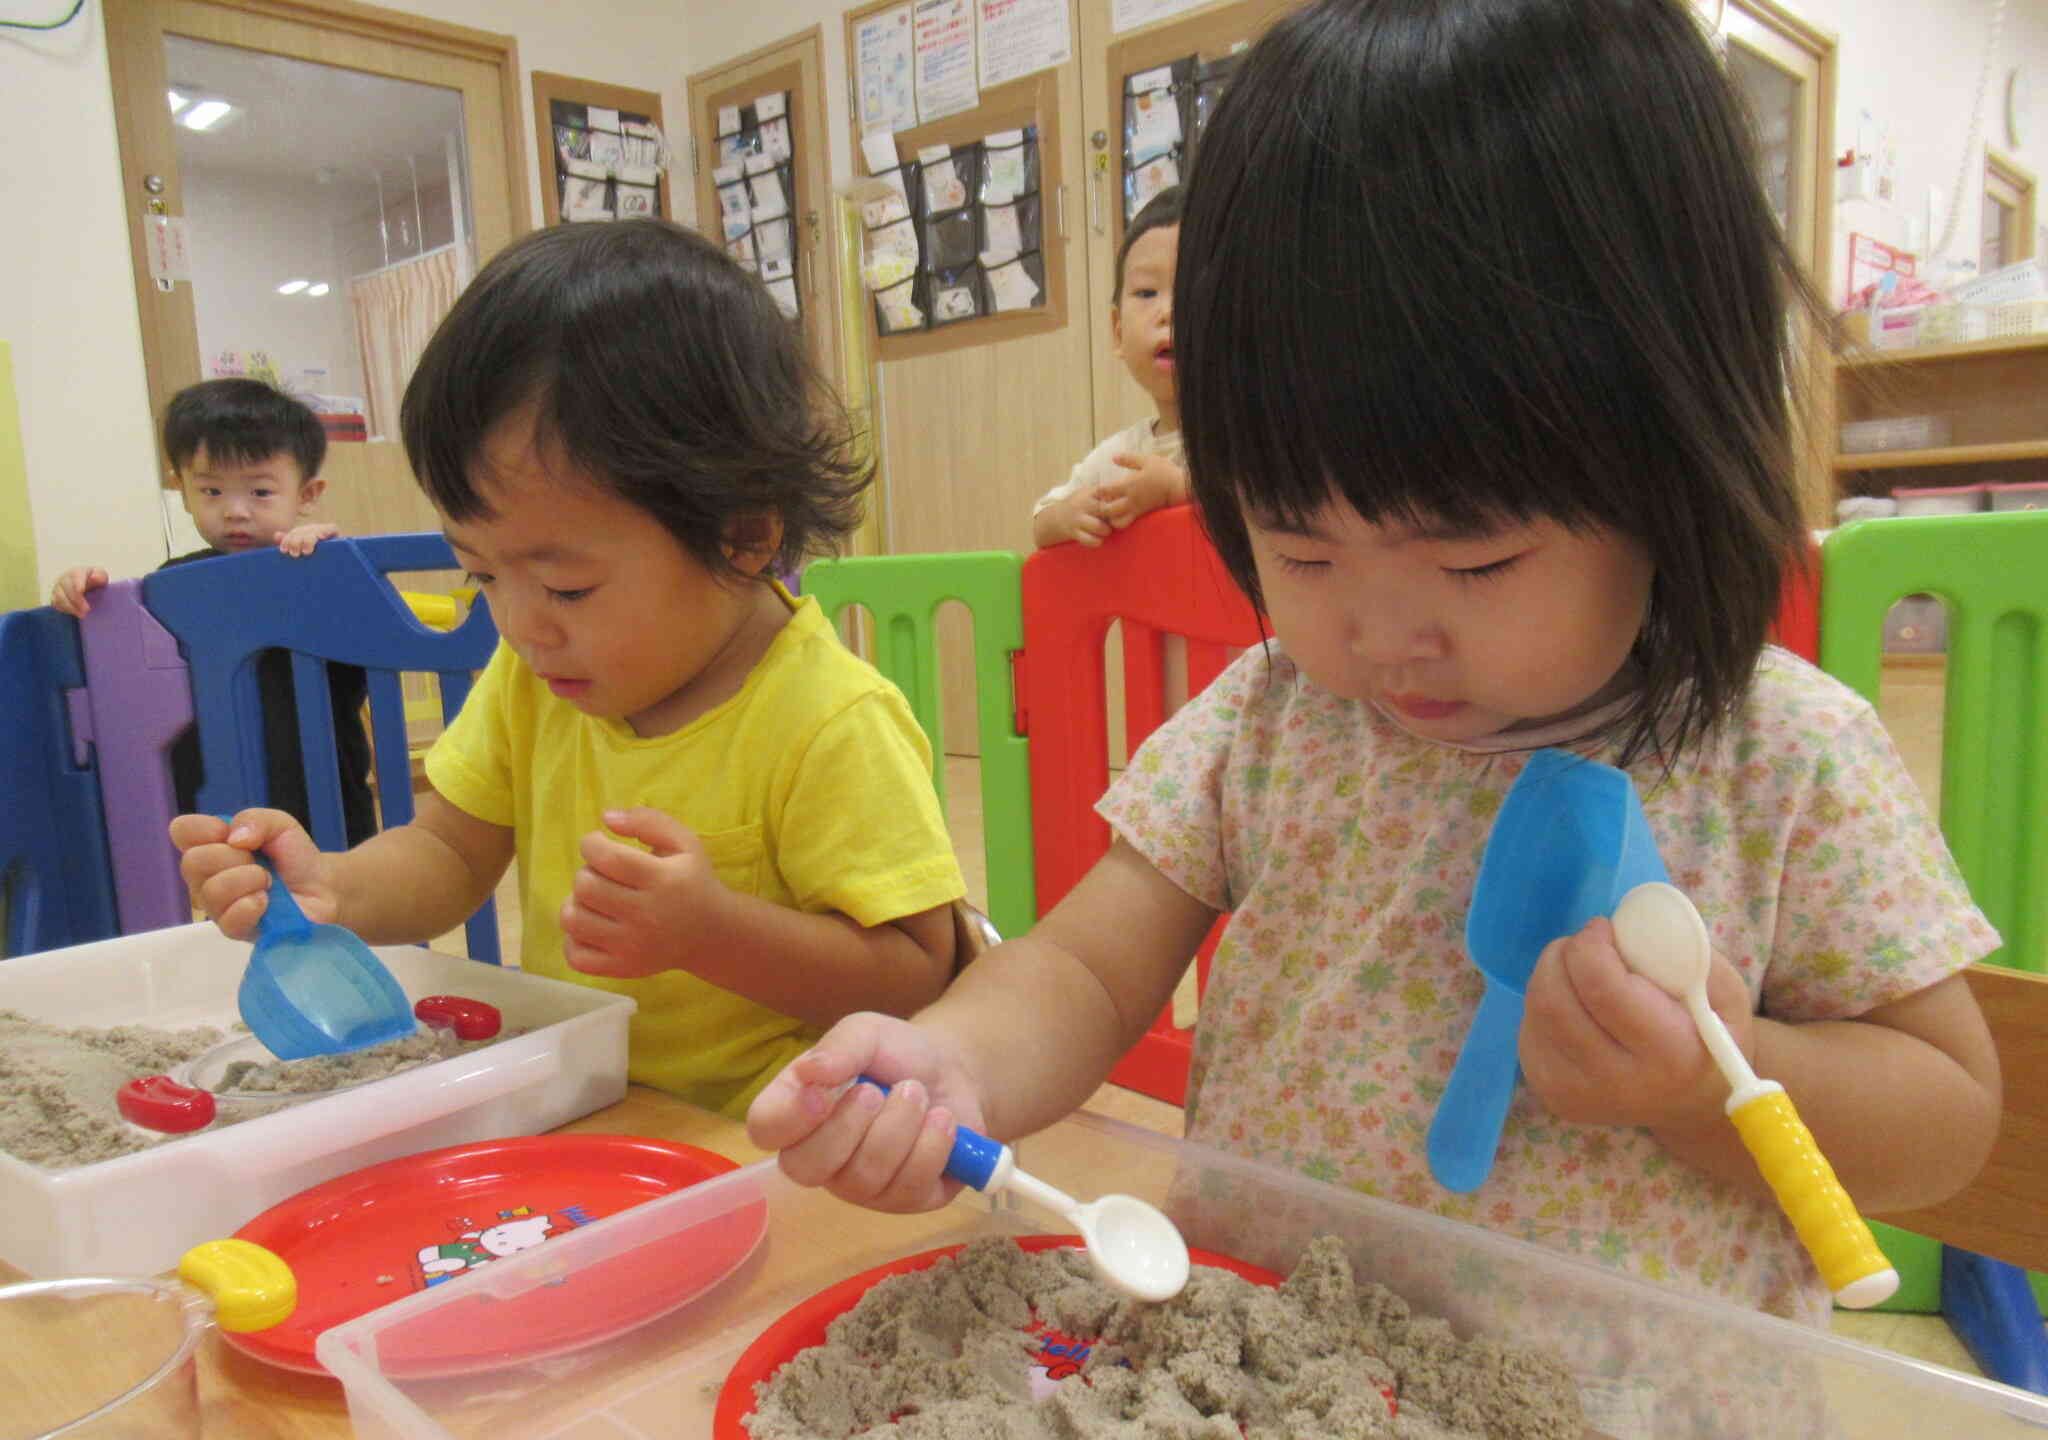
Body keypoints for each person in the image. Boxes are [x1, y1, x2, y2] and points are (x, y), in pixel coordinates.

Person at [750, 0, 2002, 1335]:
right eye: (1301, 549)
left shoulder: (1780, 756)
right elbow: (1085, 973)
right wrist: (952, 1064)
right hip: (1280, 1395)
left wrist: (1711, 1083)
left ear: (1672, 463)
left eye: (1476, 567)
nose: (1381, 636)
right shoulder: (1278, 715)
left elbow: (1943, 1123)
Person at [172, 219, 966, 1118]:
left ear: (743, 536)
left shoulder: (828, 718)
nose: (518, 625)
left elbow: (915, 978)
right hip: (582, 1104)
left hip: (768, 1143)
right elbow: (446, 851)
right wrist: (332, 887)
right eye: (481, 574)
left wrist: (710, 933)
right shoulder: (536, 680)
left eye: (565, 586)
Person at [50, 377, 376, 847]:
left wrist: (336, 568)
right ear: (181, 490)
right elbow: (127, 658)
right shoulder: (174, 582)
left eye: (261, 492)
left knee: (336, 910)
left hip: (322, 803)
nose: (235, 511)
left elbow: (370, 639)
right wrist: (89, 595)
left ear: (306, 495)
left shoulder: (320, 568)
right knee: (233, 909)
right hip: (216, 802)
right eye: (211, 492)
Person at [1030, 186, 1189, 549]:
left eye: (1191, 288)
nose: (1168, 312)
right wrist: (1069, 515)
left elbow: (1272, 503)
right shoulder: (1121, 457)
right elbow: (1042, 519)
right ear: (1118, 332)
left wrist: (1176, 488)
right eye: (1147, 293)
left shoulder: (1252, 442)